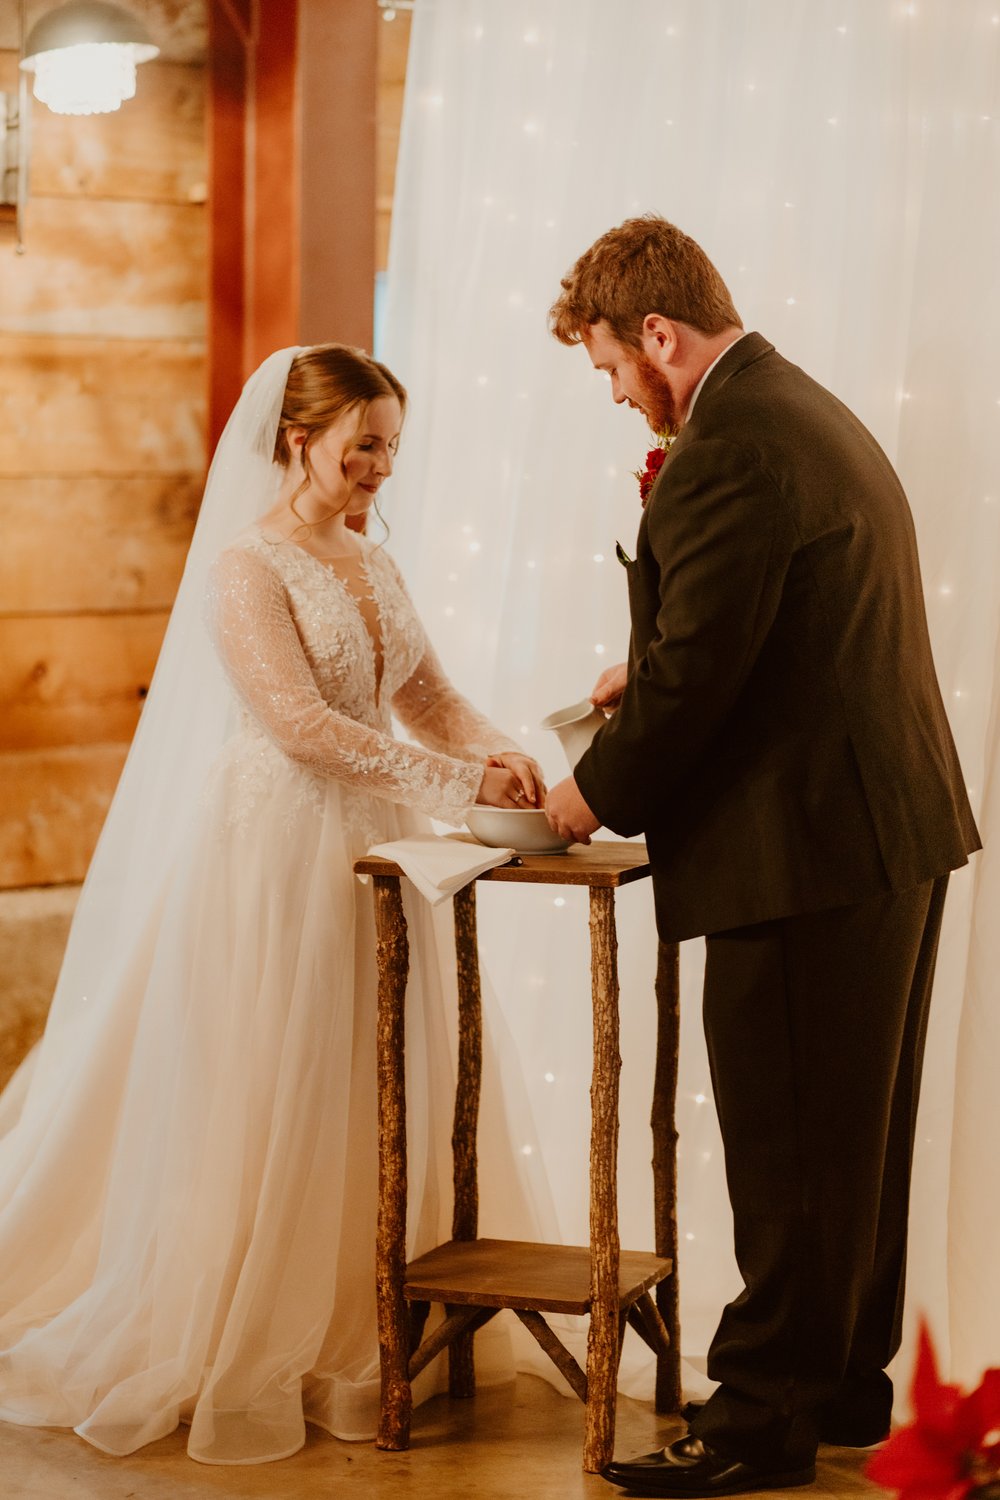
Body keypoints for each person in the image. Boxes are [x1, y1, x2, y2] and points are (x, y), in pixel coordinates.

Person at [0, 344, 546, 1464]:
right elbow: (299, 724)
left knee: (376, 1077)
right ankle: (259, 1325)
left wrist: (510, 757)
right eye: (365, 444)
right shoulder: (248, 566)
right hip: (279, 847)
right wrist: (453, 784)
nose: (382, 466)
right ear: (300, 438)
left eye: (393, 444)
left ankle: (383, 1314)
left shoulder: (369, 559)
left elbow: (427, 699)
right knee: (277, 1075)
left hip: (379, 844)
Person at [543, 216, 980, 1497]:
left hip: (804, 846)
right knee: (854, 1141)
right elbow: (758, 626)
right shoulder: (795, 408)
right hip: (880, 827)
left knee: (788, 1143)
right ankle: (839, 1381)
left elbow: (696, 690)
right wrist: (657, 661)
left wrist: (586, 794)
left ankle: (757, 1425)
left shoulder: (728, 445)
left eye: (614, 368)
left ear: (659, 334)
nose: (620, 396)